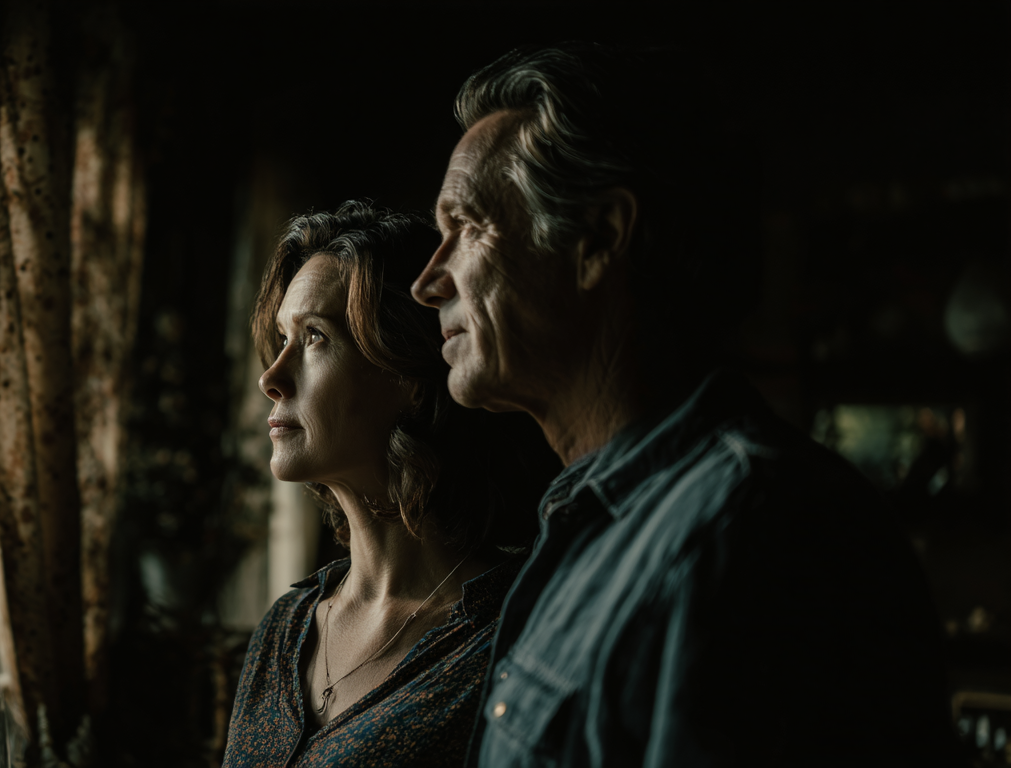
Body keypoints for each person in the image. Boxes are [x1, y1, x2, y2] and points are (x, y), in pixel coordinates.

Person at [410, 44, 959, 767]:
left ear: (599, 240)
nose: (428, 281)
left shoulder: (745, 532)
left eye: (466, 225)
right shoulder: (611, 523)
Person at [223, 201, 557, 768]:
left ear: (408, 374)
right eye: (281, 338)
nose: (271, 378)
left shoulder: (512, 634)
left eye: (314, 338)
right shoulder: (285, 628)